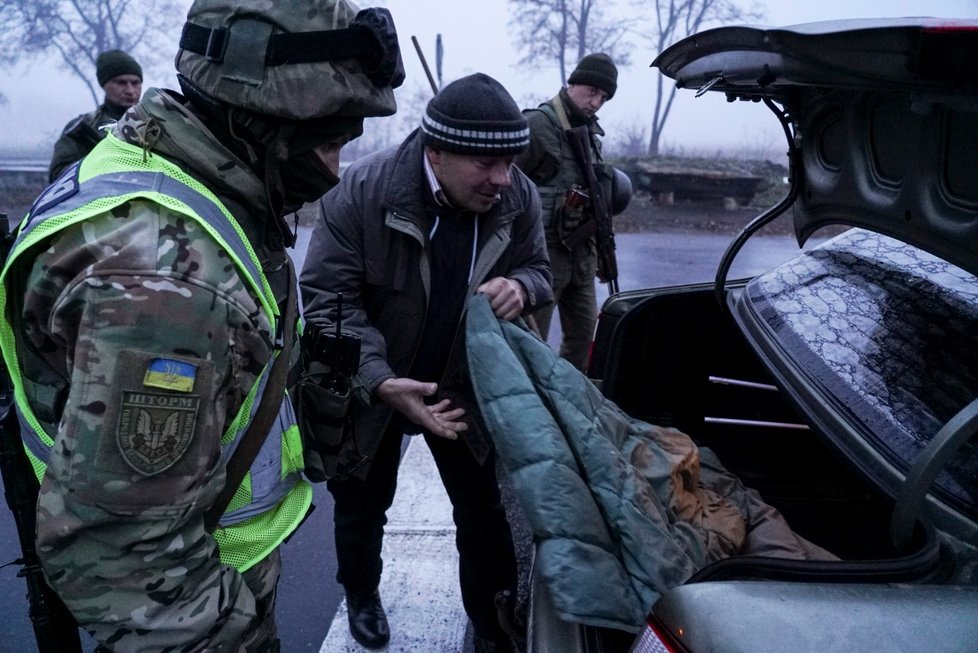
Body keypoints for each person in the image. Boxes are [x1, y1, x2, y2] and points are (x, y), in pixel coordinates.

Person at [0, 1, 403, 651]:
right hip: (201, 603)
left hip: (210, 557)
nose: (335, 171)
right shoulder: (166, 282)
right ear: (260, 120)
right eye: (328, 143)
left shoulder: (184, 175)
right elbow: (128, 564)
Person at [299, 72, 553, 652]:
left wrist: (522, 285)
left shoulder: (517, 196)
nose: (502, 179)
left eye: (510, 161)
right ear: (434, 151)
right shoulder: (360, 192)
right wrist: (379, 380)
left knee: (482, 512)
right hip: (375, 387)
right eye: (485, 164)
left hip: (461, 385)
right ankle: (361, 592)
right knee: (361, 504)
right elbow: (327, 301)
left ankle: (493, 625)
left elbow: (541, 270)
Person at [515, 52, 619, 371]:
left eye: (603, 97)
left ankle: (568, 398)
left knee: (583, 336)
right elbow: (505, 183)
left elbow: (596, 200)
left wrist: (603, 253)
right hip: (542, 259)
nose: (596, 103)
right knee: (531, 339)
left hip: (581, 260)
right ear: (573, 84)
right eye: (592, 92)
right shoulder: (538, 124)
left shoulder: (592, 135)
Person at [48, 49, 143, 182]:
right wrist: (99, 164)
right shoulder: (82, 129)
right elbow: (58, 176)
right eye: (121, 83)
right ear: (104, 85)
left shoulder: (155, 124)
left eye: (135, 83)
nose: (130, 91)